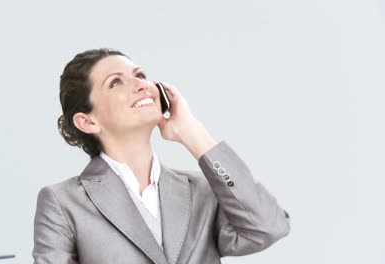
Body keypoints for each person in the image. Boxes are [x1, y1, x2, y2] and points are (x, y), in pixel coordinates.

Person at [32, 48, 291, 264]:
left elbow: (268, 227)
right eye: (116, 82)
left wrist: (193, 134)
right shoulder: (63, 203)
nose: (141, 85)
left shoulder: (202, 191)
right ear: (87, 122)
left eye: (140, 75)